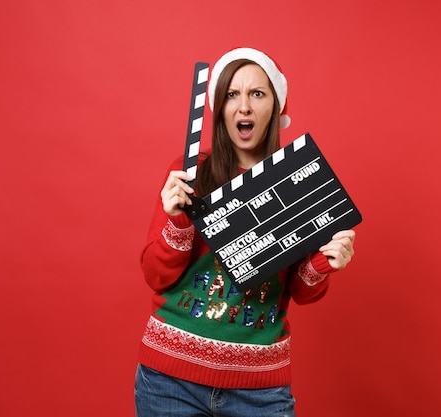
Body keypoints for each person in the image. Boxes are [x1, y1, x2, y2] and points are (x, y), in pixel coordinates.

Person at [134, 47, 356, 417]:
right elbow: (155, 275)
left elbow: (301, 292)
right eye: (232, 94)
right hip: (170, 378)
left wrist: (323, 261)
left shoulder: (299, 182)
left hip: (260, 387)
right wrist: (178, 222)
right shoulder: (190, 173)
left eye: (257, 93)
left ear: (277, 107)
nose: (244, 107)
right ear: (219, 107)